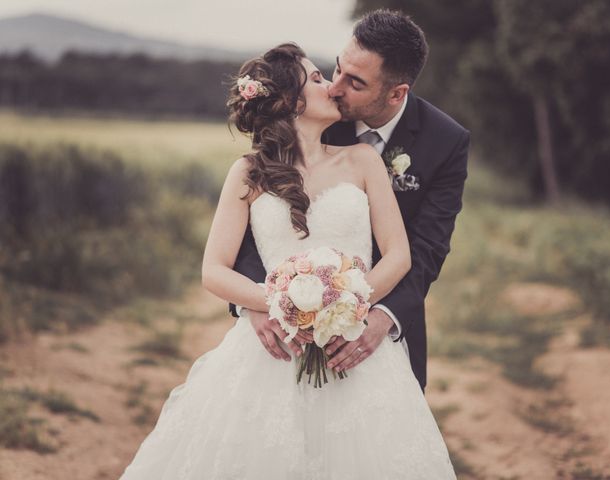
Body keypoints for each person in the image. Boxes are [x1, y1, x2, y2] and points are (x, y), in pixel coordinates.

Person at [119, 43, 456, 479]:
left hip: (352, 343)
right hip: (274, 347)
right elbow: (214, 269)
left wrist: (347, 304)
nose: (331, 86)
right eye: (317, 78)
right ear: (292, 101)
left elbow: (400, 254)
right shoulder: (247, 172)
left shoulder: (364, 160)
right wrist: (280, 303)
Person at [233, 9, 470, 392]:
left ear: (396, 94)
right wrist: (258, 303)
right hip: (281, 325)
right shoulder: (307, 112)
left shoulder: (445, 142)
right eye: (338, 68)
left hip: (379, 325)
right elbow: (256, 221)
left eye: (355, 82)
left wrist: (378, 317)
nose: (335, 87)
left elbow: (427, 247)